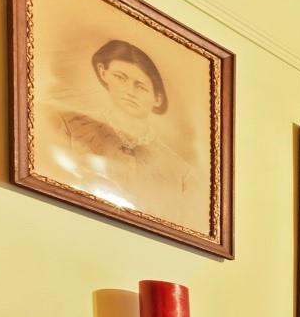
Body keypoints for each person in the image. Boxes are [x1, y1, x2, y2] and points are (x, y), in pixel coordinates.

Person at [47, 39, 194, 221]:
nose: (129, 91)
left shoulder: (179, 170)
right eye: (120, 78)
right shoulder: (69, 124)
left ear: (157, 98)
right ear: (103, 73)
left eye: (140, 86)